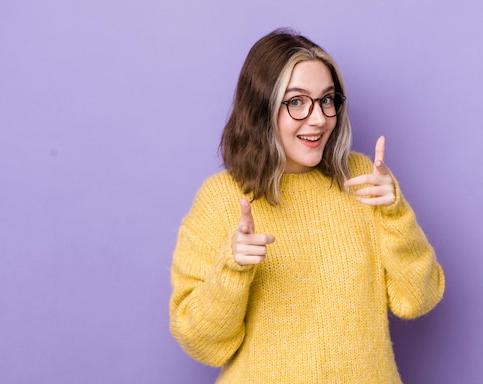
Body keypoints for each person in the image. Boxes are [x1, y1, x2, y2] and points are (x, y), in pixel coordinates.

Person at [169, 28, 445, 383]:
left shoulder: (363, 178)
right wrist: (232, 270)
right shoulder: (220, 199)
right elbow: (203, 344)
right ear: (261, 107)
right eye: (296, 101)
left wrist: (395, 215)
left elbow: (417, 298)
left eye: (327, 99)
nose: (319, 119)